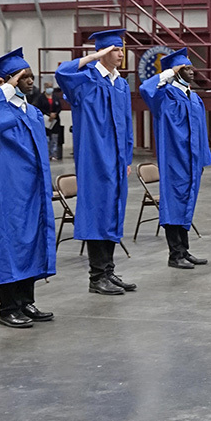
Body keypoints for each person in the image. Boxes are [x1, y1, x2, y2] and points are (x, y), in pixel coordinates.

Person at [56, 30, 135, 295]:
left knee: (113, 211)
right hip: (94, 159)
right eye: (115, 50)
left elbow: (126, 123)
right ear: (102, 52)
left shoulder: (120, 84)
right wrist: (92, 57)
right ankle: (96, 276)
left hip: (117, 159)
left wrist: (126, 156)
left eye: (121, 49)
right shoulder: (85, 81)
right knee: (96, 212)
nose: (121, 54)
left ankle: (109, 271)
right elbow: (62, 73)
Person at [139, 48, 211, 268]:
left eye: (191, 68)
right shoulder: (165, 96)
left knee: (187, 202)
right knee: (173, 204)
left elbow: (202, 130)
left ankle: (184, 250)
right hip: (173, 160)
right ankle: (175, 254)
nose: (192, 72)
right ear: (175, 71)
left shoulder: (194, 97)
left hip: (192, 160)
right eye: (185, 68)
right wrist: (168, 73)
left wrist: (203, 159)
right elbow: (145, 88)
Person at [0, 49, 56, 328]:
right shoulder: (3, 110)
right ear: (8, 81)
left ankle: (25, 301)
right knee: (10, 244)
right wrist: (3, 93)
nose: (30, 81)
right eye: (23, 77)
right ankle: (8, 306)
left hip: (34, 190)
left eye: (32, 76)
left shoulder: (31, 111)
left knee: (32, 242)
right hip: (8, 190)